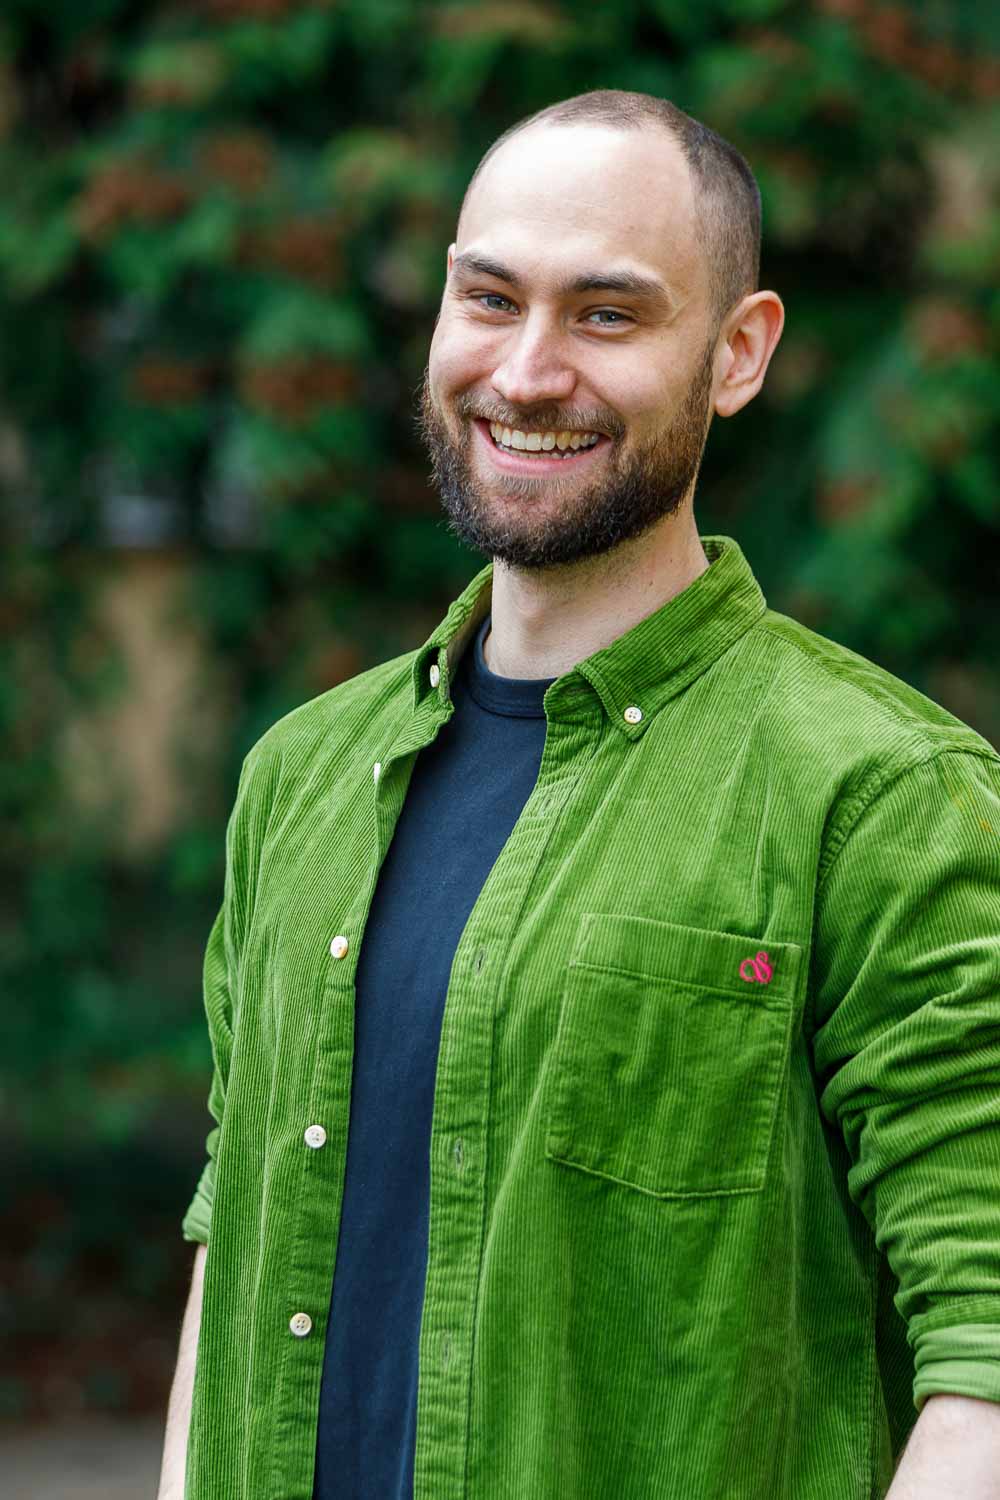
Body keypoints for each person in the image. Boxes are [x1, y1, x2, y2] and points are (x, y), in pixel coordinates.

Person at [157, 89, 1000, 1500]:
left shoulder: (883, 800)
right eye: (490, 299)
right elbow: (229, 1243)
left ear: (738, 353)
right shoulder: (301, 775)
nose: (527, 371)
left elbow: (986, 1354)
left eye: (607, 315)